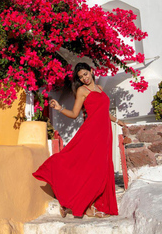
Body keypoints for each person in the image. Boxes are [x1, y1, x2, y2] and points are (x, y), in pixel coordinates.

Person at [32, 62, 127, 218]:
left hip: (104, 133)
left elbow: (103, 111)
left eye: (85, 74)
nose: (84, 78)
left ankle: (80, 205)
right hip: (91, 132)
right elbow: (75, 113)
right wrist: (59, 108)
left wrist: (117, 121)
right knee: (89, 167)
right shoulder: (82, 91)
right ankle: (86, 207)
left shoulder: (100, 89)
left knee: (102, 168)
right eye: (81, 77)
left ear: (91, 71)